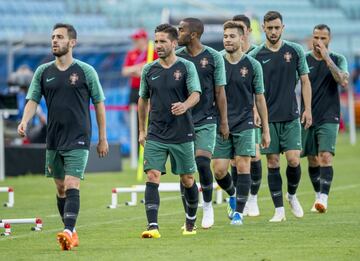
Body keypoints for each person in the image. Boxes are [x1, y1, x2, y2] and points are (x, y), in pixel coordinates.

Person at [17, 23, 109, 250]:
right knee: (60, 187)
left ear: (72, 42)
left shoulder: (86, 71)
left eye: (59, 37)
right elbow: (33, 100)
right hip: (54, 138)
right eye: (52, 37)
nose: (54, 41)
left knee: (71, 183)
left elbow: (99, 104)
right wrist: (25, 121)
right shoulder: (43, 72)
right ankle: (72, 231)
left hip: (79, 136)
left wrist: (103, 138)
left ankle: (67, 230)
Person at [138, 23, 201, 238]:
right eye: (156, 41)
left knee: (187, 180)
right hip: (155, 132)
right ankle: (152, 227)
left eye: (163, 41)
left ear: (174, 43)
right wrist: (141, 130)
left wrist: (185, 105)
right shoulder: (149, 69)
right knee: (152, 176)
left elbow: (196, 94)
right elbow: (142, 100)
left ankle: (191, 222)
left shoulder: (185, 67)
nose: (158, 45)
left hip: (182, 132)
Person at [249, 11, 312, 222]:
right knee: (273, 162)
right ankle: (279, 210)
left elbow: (304, 81)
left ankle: (292, 195)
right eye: (270, 28)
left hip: (291, 116)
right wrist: (255, 111)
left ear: (282, 28)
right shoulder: (255, 56)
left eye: (277, 27)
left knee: (294, 160)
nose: (273, 31)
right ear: (264, 28)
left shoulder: (295, 51)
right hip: (268, 120)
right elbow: (250, 88)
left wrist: (308, 109)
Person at [212, 21, 270, 225]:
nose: (227, 40)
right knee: (218, 170)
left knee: (244, 165)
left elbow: (260, 98)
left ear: (242, 39)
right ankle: (233, 194)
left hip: (245, 121)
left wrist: (265, 129)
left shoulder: (253, 65)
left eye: (232, 36)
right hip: (221, 122)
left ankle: (239, 213)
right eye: (225, 36)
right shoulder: (216, 61)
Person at [176, 17, 228, 229]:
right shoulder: (176, 58)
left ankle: (207, 206)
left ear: (193, 34)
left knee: (203, 162)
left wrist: (223, 121)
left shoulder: (214, 57)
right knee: (185, 171)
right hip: (181, 121)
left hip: (207, 118)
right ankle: (189, 215)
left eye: (181, 30)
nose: (177, 33)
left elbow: (220, 92)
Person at [302, 24, 349, 213]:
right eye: (316, 38)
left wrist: (327, 58)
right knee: (312, 159)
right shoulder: (304, 59)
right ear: (312, 38)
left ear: (329, 39)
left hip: (330, 114)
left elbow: (343, 81)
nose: (319, 42)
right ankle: (317, 195)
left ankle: (324, 197)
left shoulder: (338, 59)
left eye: (323, 38)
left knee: (325, 156)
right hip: (308, 115)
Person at [231, 14, 263, 217]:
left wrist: (257, 110)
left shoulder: (257, 55)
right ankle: (236, 198)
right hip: (232, 115)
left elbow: (259, 88)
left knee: (254, 155)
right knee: (234, 161)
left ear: (248, 32)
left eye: (241, 30)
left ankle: (253, 198)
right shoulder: (225, 56)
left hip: (252, 114)